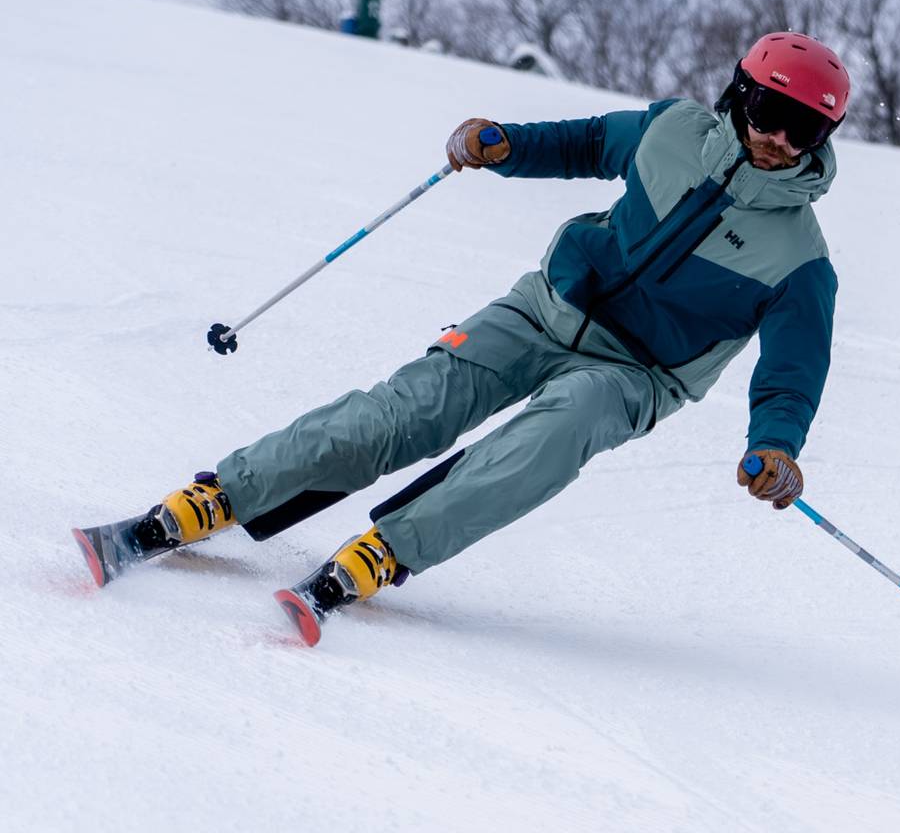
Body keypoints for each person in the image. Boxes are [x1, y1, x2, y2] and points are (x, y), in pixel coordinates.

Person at [73, 32, 853, 644]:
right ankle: (219, 496)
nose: (781, 139)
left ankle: (389, 550)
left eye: (806, 128)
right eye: (771, 115)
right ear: (738, 95)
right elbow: (585, 142)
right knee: (407, 410)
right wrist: (504, 143)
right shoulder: (671, 131)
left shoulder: (801, 258)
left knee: (562, 425)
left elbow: (794, 367)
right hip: (546, 306)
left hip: (637, 373)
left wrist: (777, 444)